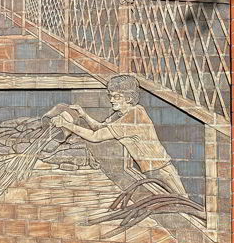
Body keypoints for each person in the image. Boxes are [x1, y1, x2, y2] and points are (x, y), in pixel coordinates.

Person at [51, 74, 185, 196]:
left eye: (117, 97)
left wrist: (66, 124)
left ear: (129, 98)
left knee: (183, 203)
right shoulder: (121, 114)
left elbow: (95, 136)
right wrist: (84, 115)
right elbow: (100, 128)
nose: (111, 100)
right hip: (150, 171)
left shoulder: (135, 115)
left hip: (162, 172)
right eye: (110, 95)